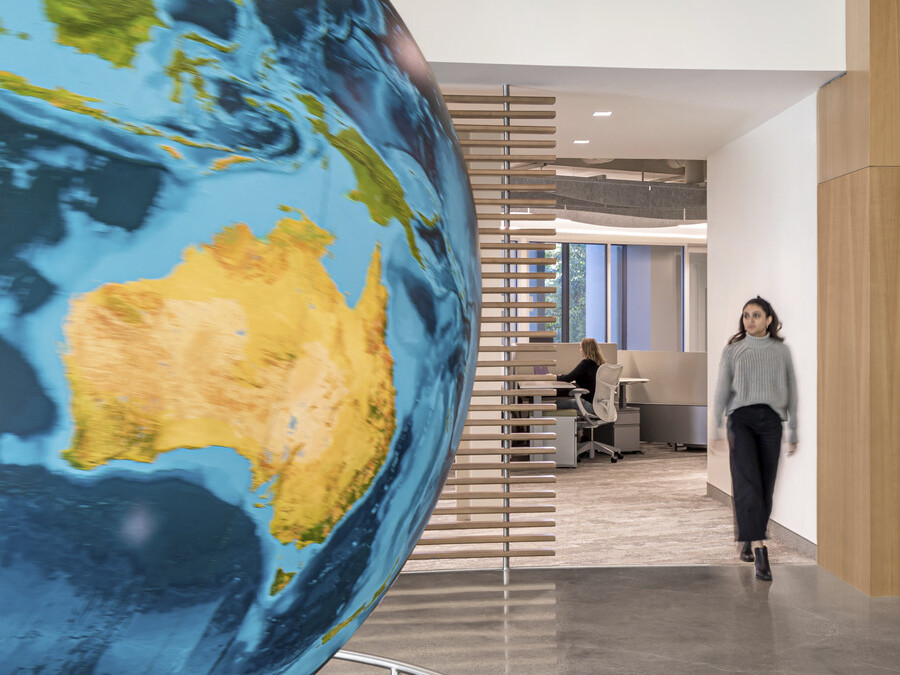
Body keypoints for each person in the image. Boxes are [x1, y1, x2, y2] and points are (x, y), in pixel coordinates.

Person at [713, 296, 798, 581]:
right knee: (747, 481)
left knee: (765, 486)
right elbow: (722, 390)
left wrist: (794, 429)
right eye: (746, 315)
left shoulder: (780, 351)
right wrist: (715, 427)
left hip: (771, 421)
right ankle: (760, 550)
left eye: (757, 315)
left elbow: (792, 390)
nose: (750, 320)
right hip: (741, 421)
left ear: (769, 320)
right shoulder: (734, 350)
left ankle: (748, 537)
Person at [556, 337, 606, 414]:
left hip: (589, 405)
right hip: (601, 406)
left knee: (556, 404)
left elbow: (567, 378)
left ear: (585, 349)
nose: (580, 350)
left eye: (581, 347)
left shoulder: (586, 363)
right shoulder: (601, 365)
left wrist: (553, 377)